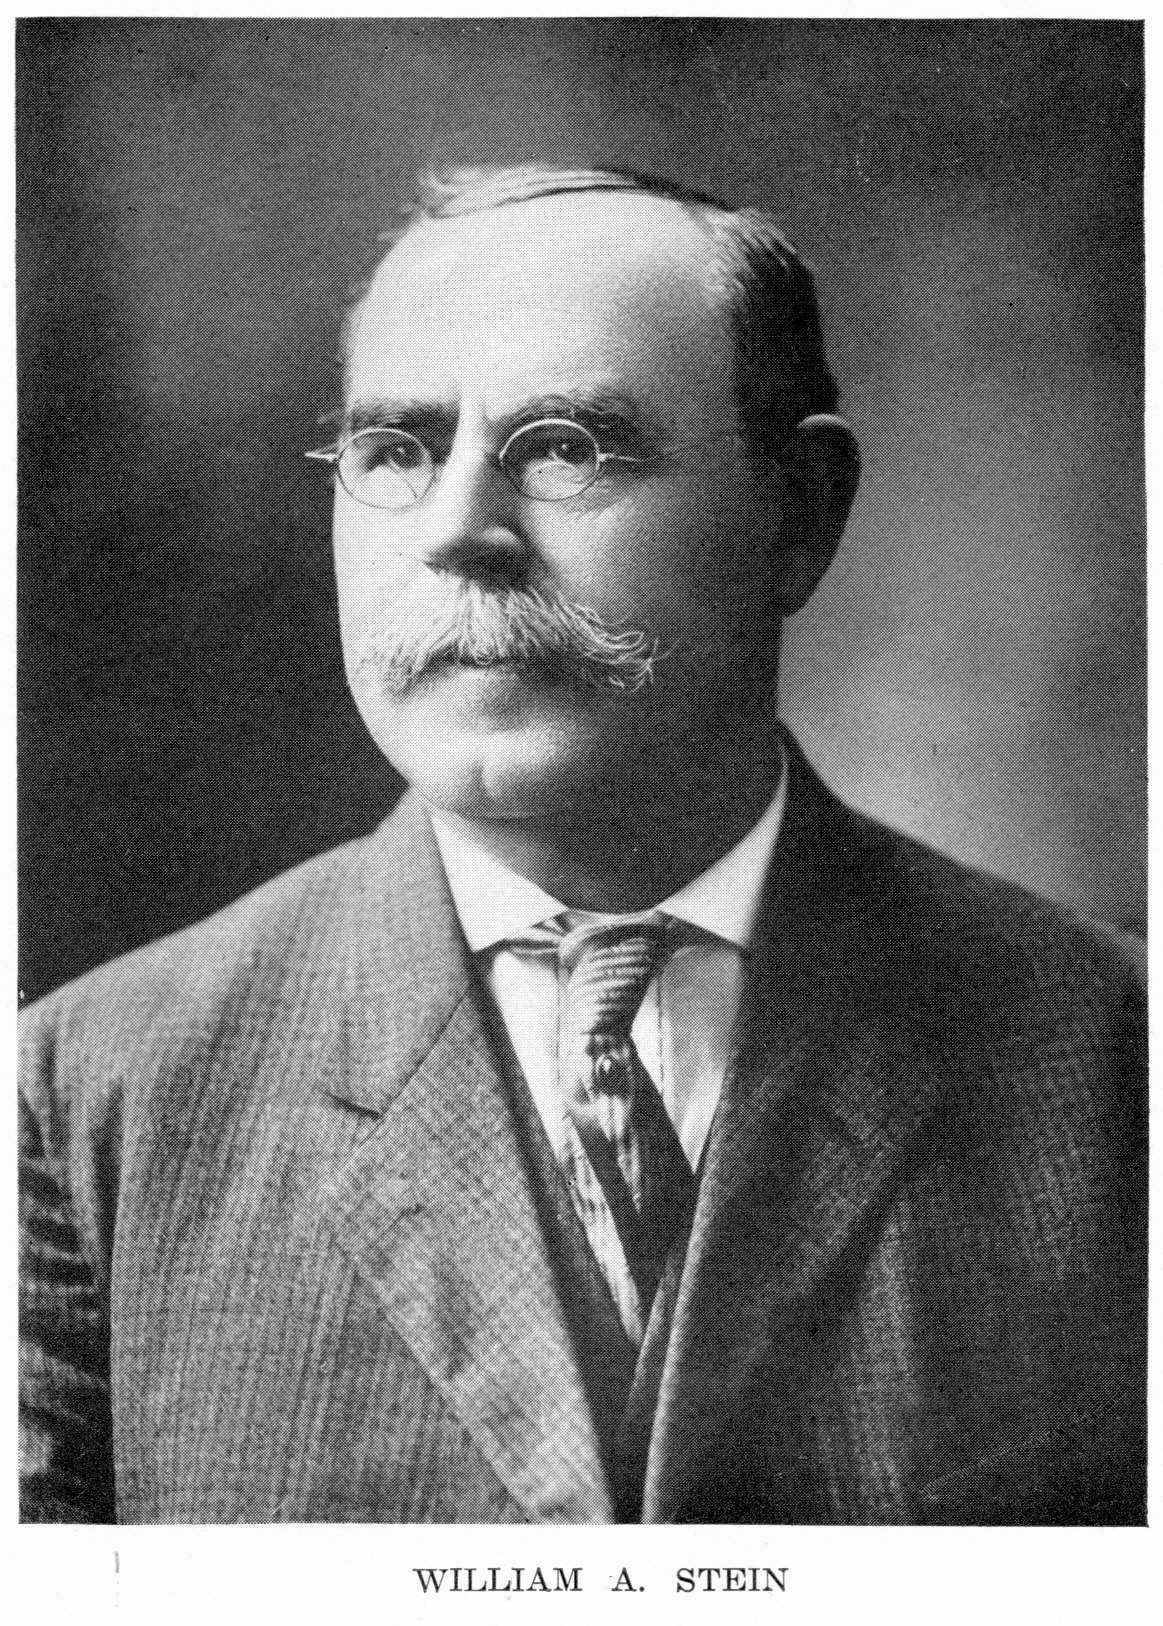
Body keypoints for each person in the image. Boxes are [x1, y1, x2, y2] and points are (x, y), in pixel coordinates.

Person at [19, 164, 1146, 1525]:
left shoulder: (1114, 1062)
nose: (458, 533)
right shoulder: (83, 1104)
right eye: (397, 452)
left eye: (566, 449)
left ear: (798, 512)